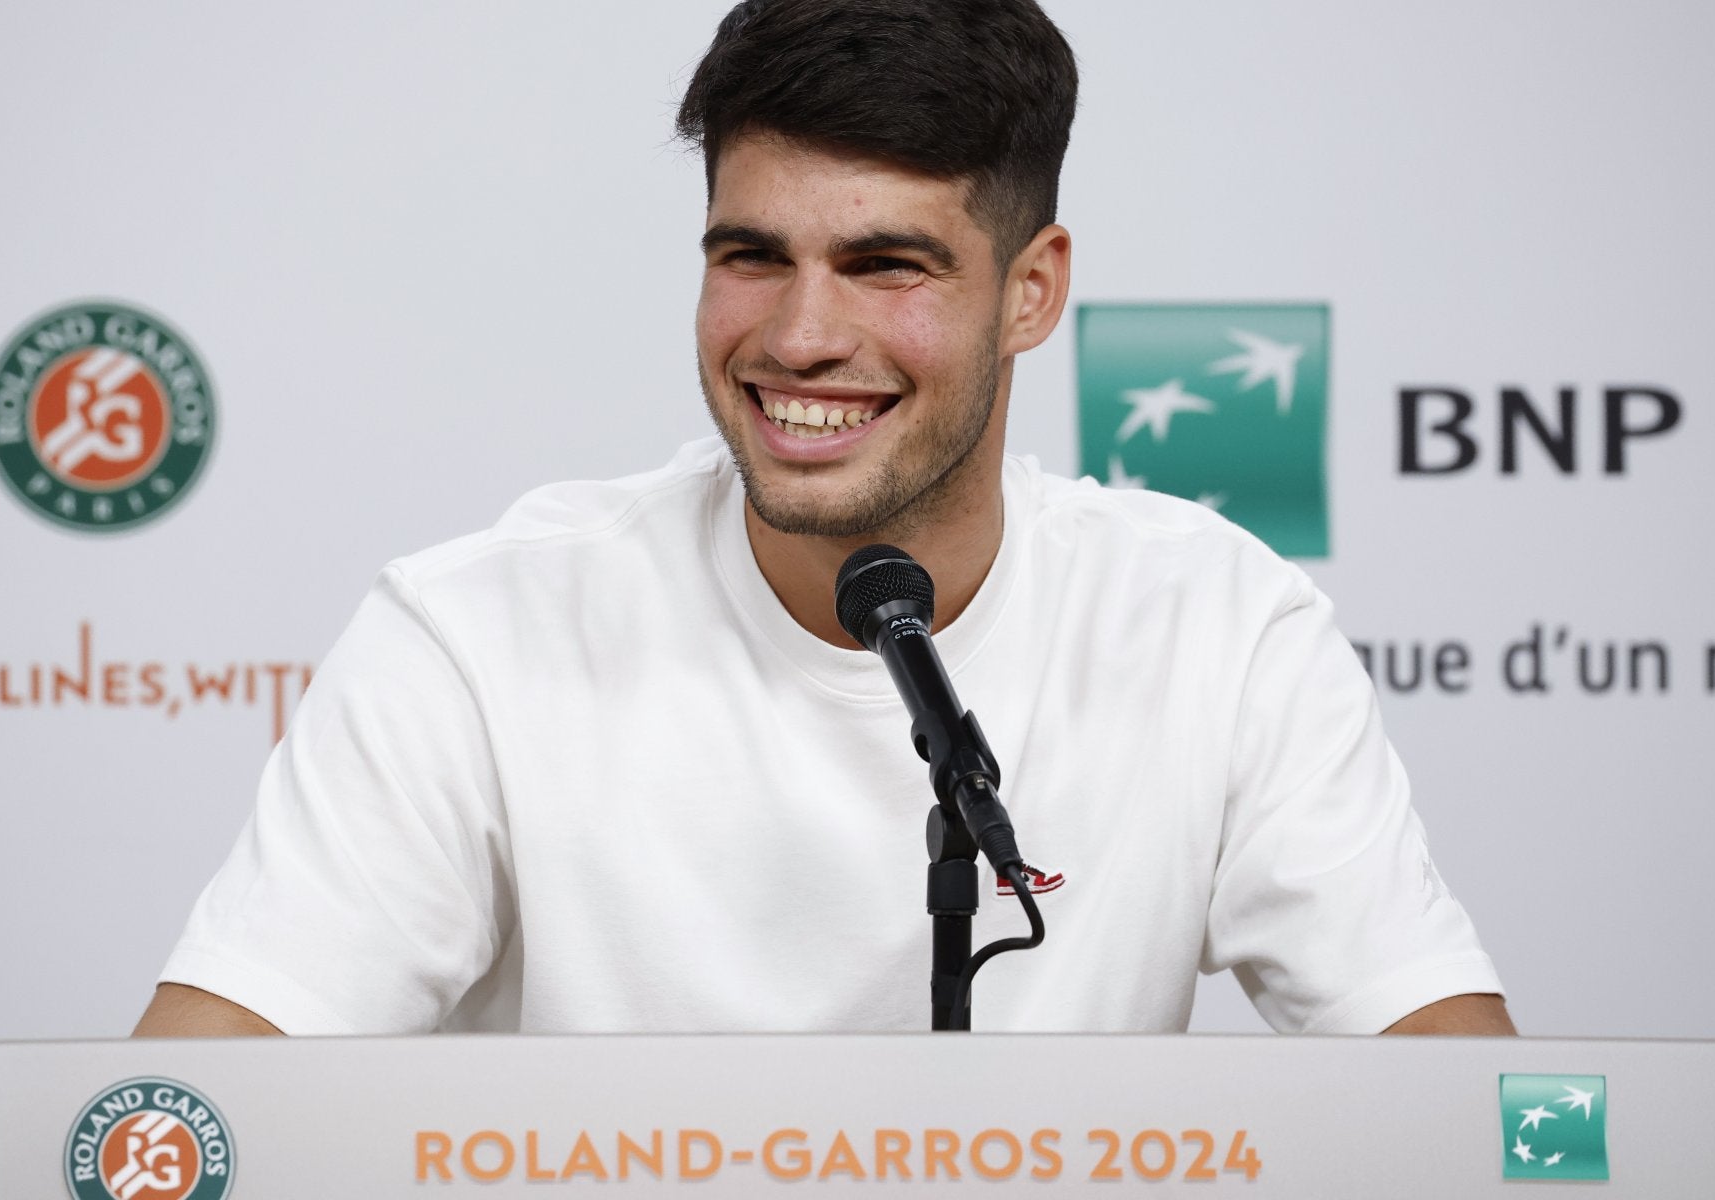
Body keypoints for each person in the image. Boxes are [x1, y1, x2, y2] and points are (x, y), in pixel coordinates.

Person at [136, 0, 1511, 1039]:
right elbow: (184, 1122)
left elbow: (1475, 1120)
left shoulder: (1218, 627)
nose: (799, 335)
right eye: (752, 256)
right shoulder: (475, 631)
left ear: (1032, 293)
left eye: (885, 265)